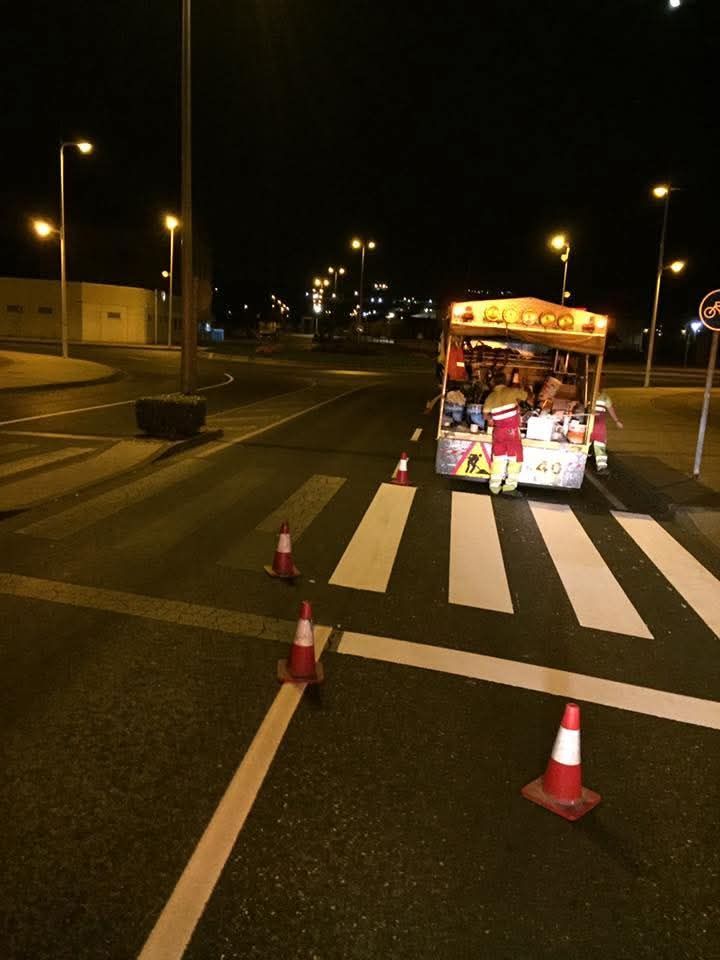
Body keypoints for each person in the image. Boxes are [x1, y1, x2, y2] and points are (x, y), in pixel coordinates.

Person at [483, 373, 531, 497]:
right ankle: (509, 487)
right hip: (512, 432)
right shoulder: (512, 391)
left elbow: (485, 415)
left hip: (498, 432)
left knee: (498, 459)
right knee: (515, 460)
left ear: (493, 384)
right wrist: (525, 388)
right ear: (505, 381)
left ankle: (494, 487)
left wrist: (494, 417)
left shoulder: (490, 397)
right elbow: (527, 397)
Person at [591, 391, 623, 473]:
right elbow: (610, 409)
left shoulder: (587, 393)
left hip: (589, 422)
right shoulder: (604, 397)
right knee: (600, 443)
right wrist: (616, 421)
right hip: (599, 424)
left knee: (587, 442)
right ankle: (601, 467)